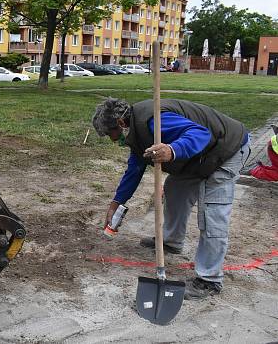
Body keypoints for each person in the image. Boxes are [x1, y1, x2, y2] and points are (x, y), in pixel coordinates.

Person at [92, 98, 250, 300]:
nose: (112, 140)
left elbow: (201, 134)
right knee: (175, 189)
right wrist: (116, 203)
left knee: (212, 213)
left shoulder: (154, 121)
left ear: (120, 124)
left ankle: (209, 280)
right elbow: (135, 168)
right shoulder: (137, 132)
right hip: (199, 158)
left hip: (225, 151)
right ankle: (171, 242)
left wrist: (172, 150)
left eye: (109, 134)